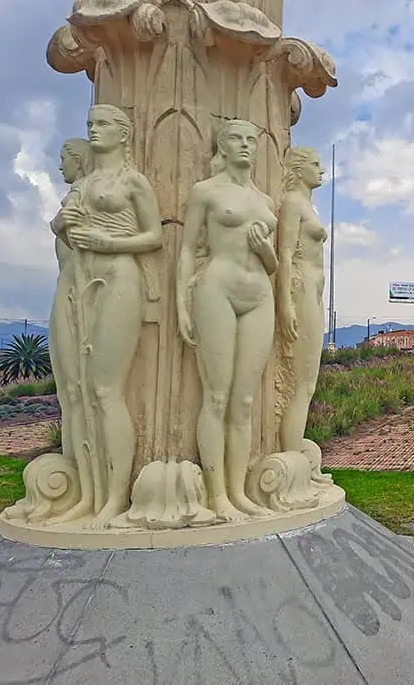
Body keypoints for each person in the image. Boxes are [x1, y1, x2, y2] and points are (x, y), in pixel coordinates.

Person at [51, 105, 163, 528]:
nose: (93, 130)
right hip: (79, 282)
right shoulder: (82, 184)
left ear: (124, 133)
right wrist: (59, 224)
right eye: (90, 125)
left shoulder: (133, 181)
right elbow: (66, 234)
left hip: (118, 276)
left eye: (102, 124)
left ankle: (114, 498)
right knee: (77, 389)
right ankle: (88, 494)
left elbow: (154, 236)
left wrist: (108, 242)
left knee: (105, 388)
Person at [177, 119, 278, 522]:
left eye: (251, 139)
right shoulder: (206, 191)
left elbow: (271, 264)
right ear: (222, 145)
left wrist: (265, 249)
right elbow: (187, 250)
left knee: (244, 400)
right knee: (216, 396)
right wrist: (182, 305)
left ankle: (238, 492)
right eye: (236, 138)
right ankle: (217, 495)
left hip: (259, 294)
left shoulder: (266, 201)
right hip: (217, 287)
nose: (245, 145)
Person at [276, 147, 327, 453]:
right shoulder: (293, 203)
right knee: (302, 384)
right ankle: (291, 458)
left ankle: (294, 455)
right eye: (315, 164)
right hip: (301, 286)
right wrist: (285, 303)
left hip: (314, 289)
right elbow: (284, 253)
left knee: (308, 383)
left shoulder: (306, 205)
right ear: (299, 168)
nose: (322, 170)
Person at [48, 138, 93, 470]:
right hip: (68, 293)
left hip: (78, 295)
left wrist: (58, 224)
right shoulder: (75, 199)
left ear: (79, 160)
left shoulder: (84, 200)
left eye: (65, 158)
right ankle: (77, 466)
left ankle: (84, 468)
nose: (61, 165)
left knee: (79, 389)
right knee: (71, 391)